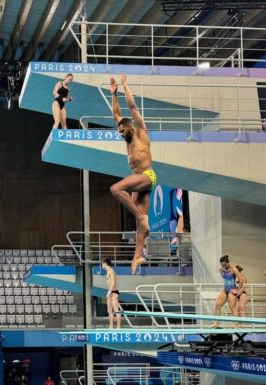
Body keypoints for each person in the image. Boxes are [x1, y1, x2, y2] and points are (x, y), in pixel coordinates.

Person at [109, 73, 155, 274]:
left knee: (116, 188)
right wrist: (114, 95)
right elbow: (116, 114)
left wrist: (125, 86)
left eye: (122, 131)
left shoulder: (140, 132)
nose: (120, 135)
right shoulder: (126, 137)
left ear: (129, 127)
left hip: (147, 175)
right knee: (141, 220)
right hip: (140, 179)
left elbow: (132, 108)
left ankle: (141, 218)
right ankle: (138, 255)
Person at [212, 255, 246, 326]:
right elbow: (225, 279)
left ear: (228, 262)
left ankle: (237, 324)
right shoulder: (221, 269)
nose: (224, 266)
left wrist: (237, 290)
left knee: (232, 307)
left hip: (232, 290)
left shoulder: (233, 269)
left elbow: (241, 280)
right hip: (225, 289)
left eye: (225, 265)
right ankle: (216, 323)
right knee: (217, 305)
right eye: (222, 265)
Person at [102, 258, 121, 328]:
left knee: (116, 310)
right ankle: (111, 326)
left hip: (113, 292)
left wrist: (109, 292)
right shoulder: (108, 272)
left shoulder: (111, 271)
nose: (102, 265)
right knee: (110, 310)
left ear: (105, 264)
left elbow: (113, 283)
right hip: (110, 292)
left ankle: (118, 327)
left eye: (102, 264)